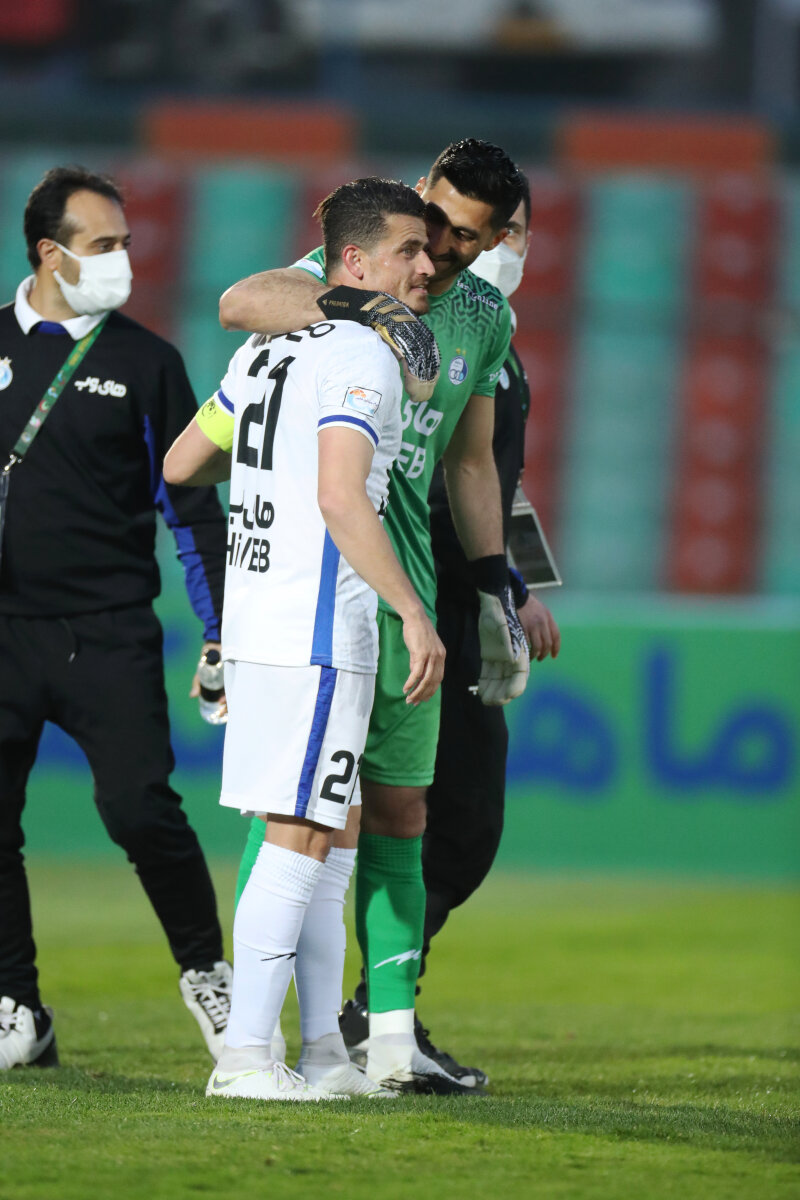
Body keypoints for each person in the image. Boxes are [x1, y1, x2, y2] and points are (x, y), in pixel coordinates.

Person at [221, 139, 536, 1090]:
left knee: (402, 810)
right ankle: (257, 1037)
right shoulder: (356, 274)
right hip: (329, 585)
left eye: (468, 239)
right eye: (435, 223)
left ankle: (385, 1039)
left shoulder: (486, 317)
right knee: (300, 812)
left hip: (410, 595)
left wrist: (496, 583)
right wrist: (375, 310)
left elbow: (471, 462)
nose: (441, 249)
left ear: (496, 241)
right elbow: (242, 301)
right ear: (419, 197)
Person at [164, 177, 446, 1101]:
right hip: (320, 624)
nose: (425, 265)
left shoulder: (266, 351)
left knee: (330, 833)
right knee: (298, 839)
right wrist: (412, 609)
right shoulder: (363, 354)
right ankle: (246, 1058)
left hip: (258, 619)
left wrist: (265, 482)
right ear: (353, 261)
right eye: (409, 249)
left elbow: (182, 462)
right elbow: (339, 495)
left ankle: (324, 1051)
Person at [0, 166, 231, 1071]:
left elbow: (193, 510)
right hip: (4, 631)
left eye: (126, 242)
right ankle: (17, 1006)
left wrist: (219, 630)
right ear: (49, 254)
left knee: (140, 811)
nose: (123, 260)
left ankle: (208, 975)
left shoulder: (148, 362)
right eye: (103, 245)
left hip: (108, 631)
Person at [341, 181, 562, 1087]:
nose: (500, 247)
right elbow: (427, 473)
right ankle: (369, 1014)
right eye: (482, 232)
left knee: (459, 825)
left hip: (464, 591)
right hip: (406, 582)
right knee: (410, 814)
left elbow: (496, 477)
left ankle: (376, 1008)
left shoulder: (494, 343)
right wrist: (502, 588)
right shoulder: (398, 313)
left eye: (514, 233)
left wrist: (517, 586)